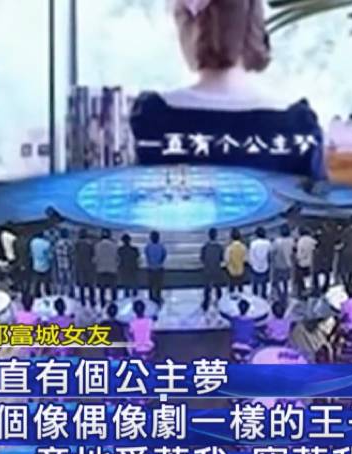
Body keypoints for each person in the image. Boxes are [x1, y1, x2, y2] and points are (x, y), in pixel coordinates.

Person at [130, 0, 326, 181]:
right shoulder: (297, 124)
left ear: (187, 27)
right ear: (253, 26)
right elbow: (318, 204)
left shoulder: (151, 117)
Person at [201, 228, 224, 311]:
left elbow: (202, 258)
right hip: (217, 269)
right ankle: (220, 303)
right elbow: (221, 258)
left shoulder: (205, 247)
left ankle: (206, 304)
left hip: (207, 270)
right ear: (216, 236)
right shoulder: (219, 247)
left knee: (207, 288)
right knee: (218, 287)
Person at [94, 229, 119, 308]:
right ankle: (114, 304)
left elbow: (95, 258)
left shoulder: (97, 245)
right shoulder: (114, 245)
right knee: (113, 290)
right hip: (112, 269)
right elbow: (117, 258)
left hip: (101, 269)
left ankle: (103, 305)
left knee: (102, 289)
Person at [271, 224, 295, 303]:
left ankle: (280, 295)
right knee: (286, 282)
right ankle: (285, 294)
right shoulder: (292, 241)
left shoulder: (277, 242)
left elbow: (272, 252)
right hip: (289, 265)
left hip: (278, 265)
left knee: (276, 281)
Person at [337, 217, 352, 288]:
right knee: (351, 267)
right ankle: (350, 281)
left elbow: (343, 241)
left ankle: (344, 281)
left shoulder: (346, 230)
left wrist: (338, 247)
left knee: (344, 267)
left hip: (346, 251)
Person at [312, 222, 336, 296]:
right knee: (326, 273)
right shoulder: (331, 235)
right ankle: (325, 287)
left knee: (316, 272)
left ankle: (317, 288)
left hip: (322, 256)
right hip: (328, 256)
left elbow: (319, 244)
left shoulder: (323, 235)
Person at [145, 231, 167, 305]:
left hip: (157, 268)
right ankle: (152, 297)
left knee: (157, 284)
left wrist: (159, 262)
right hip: (152, 268)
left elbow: (164, 255)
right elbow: (147, 255)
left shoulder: (161, 246)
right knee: (152, 284)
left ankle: (157, 296)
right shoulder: (149, 246)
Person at [75, 229, 96, 308]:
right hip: (89, 266)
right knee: (91, 285)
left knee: (82, 285)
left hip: (80, 266)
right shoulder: (90, 244)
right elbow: (93, 255)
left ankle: (82, 301)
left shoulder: (77, 244)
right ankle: (92, 301)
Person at [249, 227, 271, 299]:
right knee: (264, 282)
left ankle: (255, 294)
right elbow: (269, 255)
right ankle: (263, 294)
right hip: (265, 266)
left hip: (255, 266)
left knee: (254, 281)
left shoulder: (253, 244)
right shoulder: (268, 243)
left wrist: (252, 264)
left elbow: (251, 256)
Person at [295, 227, 317, 299]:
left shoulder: (300, 241)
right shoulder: (312, 240)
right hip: (312, 262)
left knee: (300, 278)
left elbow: (299, 254)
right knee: (311, 278)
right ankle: (313, 291)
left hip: (302, 263)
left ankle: (302, 292)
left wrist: (298, 259)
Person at [29, 231, 52, 298]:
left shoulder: (33, 242)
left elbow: (31, 253)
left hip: (35, 265)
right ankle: (47, 293)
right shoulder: (47, 244)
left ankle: (36, 294)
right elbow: (50, 256)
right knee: (46, 282)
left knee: (36, 281)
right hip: (45, 265)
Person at [53, 228, 75, 296]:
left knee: (61, 277)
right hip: (68, 262)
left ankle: (61, 291)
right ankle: (70, 291)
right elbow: (72, 253)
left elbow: (55, 253)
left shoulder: (57, 243)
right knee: (69, 277)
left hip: (60, 262)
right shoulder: (69, 243)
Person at [225, 228, 247, 295]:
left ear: (231, 237)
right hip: (241, 270)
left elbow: (227, 260)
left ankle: (231, 294)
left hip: (231, 271)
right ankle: (241, 293)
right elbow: (245, 259)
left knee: (231, 286)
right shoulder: (243, 247)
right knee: (240, 285)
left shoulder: (229, 248)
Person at [118, 234, 140, 299]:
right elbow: (137, 257)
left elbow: (119, 259)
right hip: (132, 268)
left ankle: (128, 297)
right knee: (133, 284)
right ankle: (134, 297)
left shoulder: (120, 250)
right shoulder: (134, 249)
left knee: (126, 285)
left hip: (125, 268)